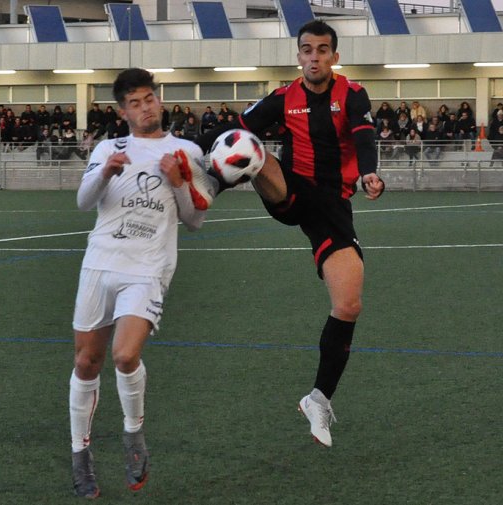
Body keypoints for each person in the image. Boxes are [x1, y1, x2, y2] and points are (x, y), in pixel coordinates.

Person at [197, 20, 384, 448]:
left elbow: (365, 134)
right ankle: (207, 187)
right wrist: (183, 147)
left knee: (349, 303)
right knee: (247, 144)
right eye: (307, 50)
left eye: (322, 50)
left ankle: (318, 398)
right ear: (298, 55)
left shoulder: (352, 95)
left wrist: (370, 170)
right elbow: (231, 129)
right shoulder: (284, 99)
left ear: (334, 57)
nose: (314, 57)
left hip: (332, 209)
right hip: (292, 192)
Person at [69, 68, 215, 499]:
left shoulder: (186, 150)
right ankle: (81, 455)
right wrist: (106, 173)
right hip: (99, 263)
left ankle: (134, 436)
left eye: (150, 98)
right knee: (85, 363)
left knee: (125, 354)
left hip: (148, 267)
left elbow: (196, 220)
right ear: (123, 111)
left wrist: (181, 182)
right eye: (135, 102)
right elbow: (82, 202)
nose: (145, 107)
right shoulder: (108, 148)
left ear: (159, 101)